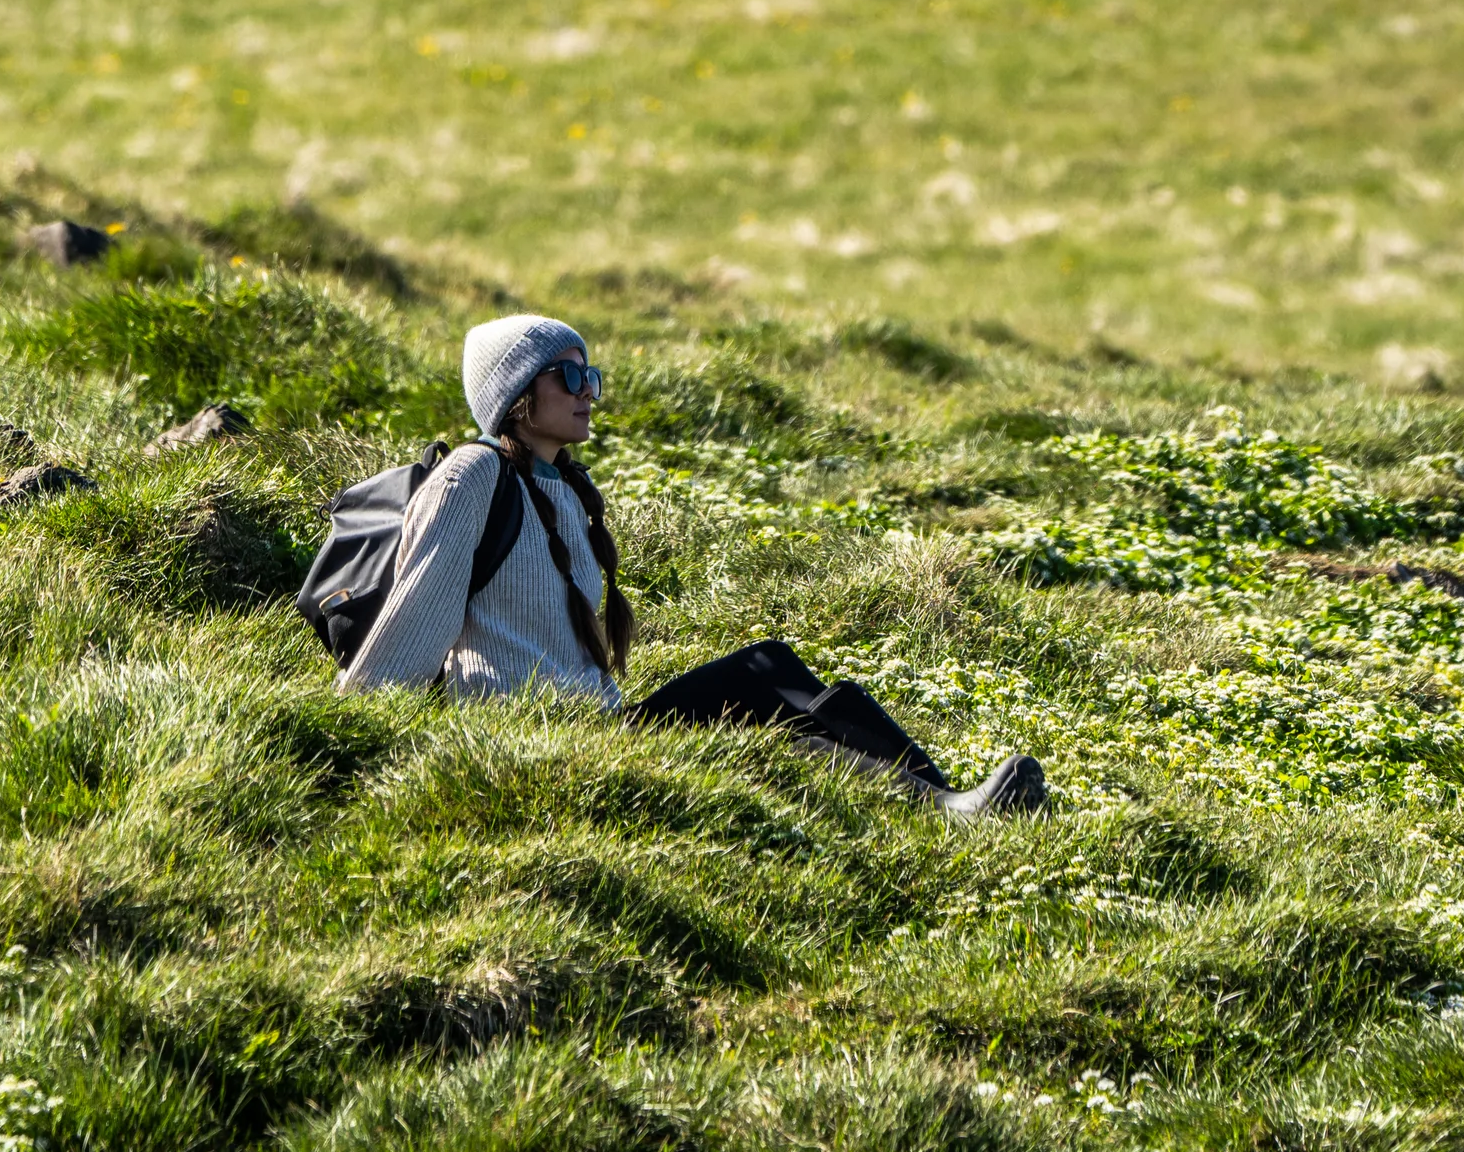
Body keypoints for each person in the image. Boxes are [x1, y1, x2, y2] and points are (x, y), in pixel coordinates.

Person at [339, 313, 1046, 820]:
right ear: (517, 395)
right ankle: (946, 809)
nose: (590, 390)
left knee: (767, 671)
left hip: (599, 727)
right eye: (571, 375)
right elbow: (417, 617)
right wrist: (343, 741)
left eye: (594, 375)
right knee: (765, 706)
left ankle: (944, 799)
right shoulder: (470, 476)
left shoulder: (562, 487)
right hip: (534, 740)